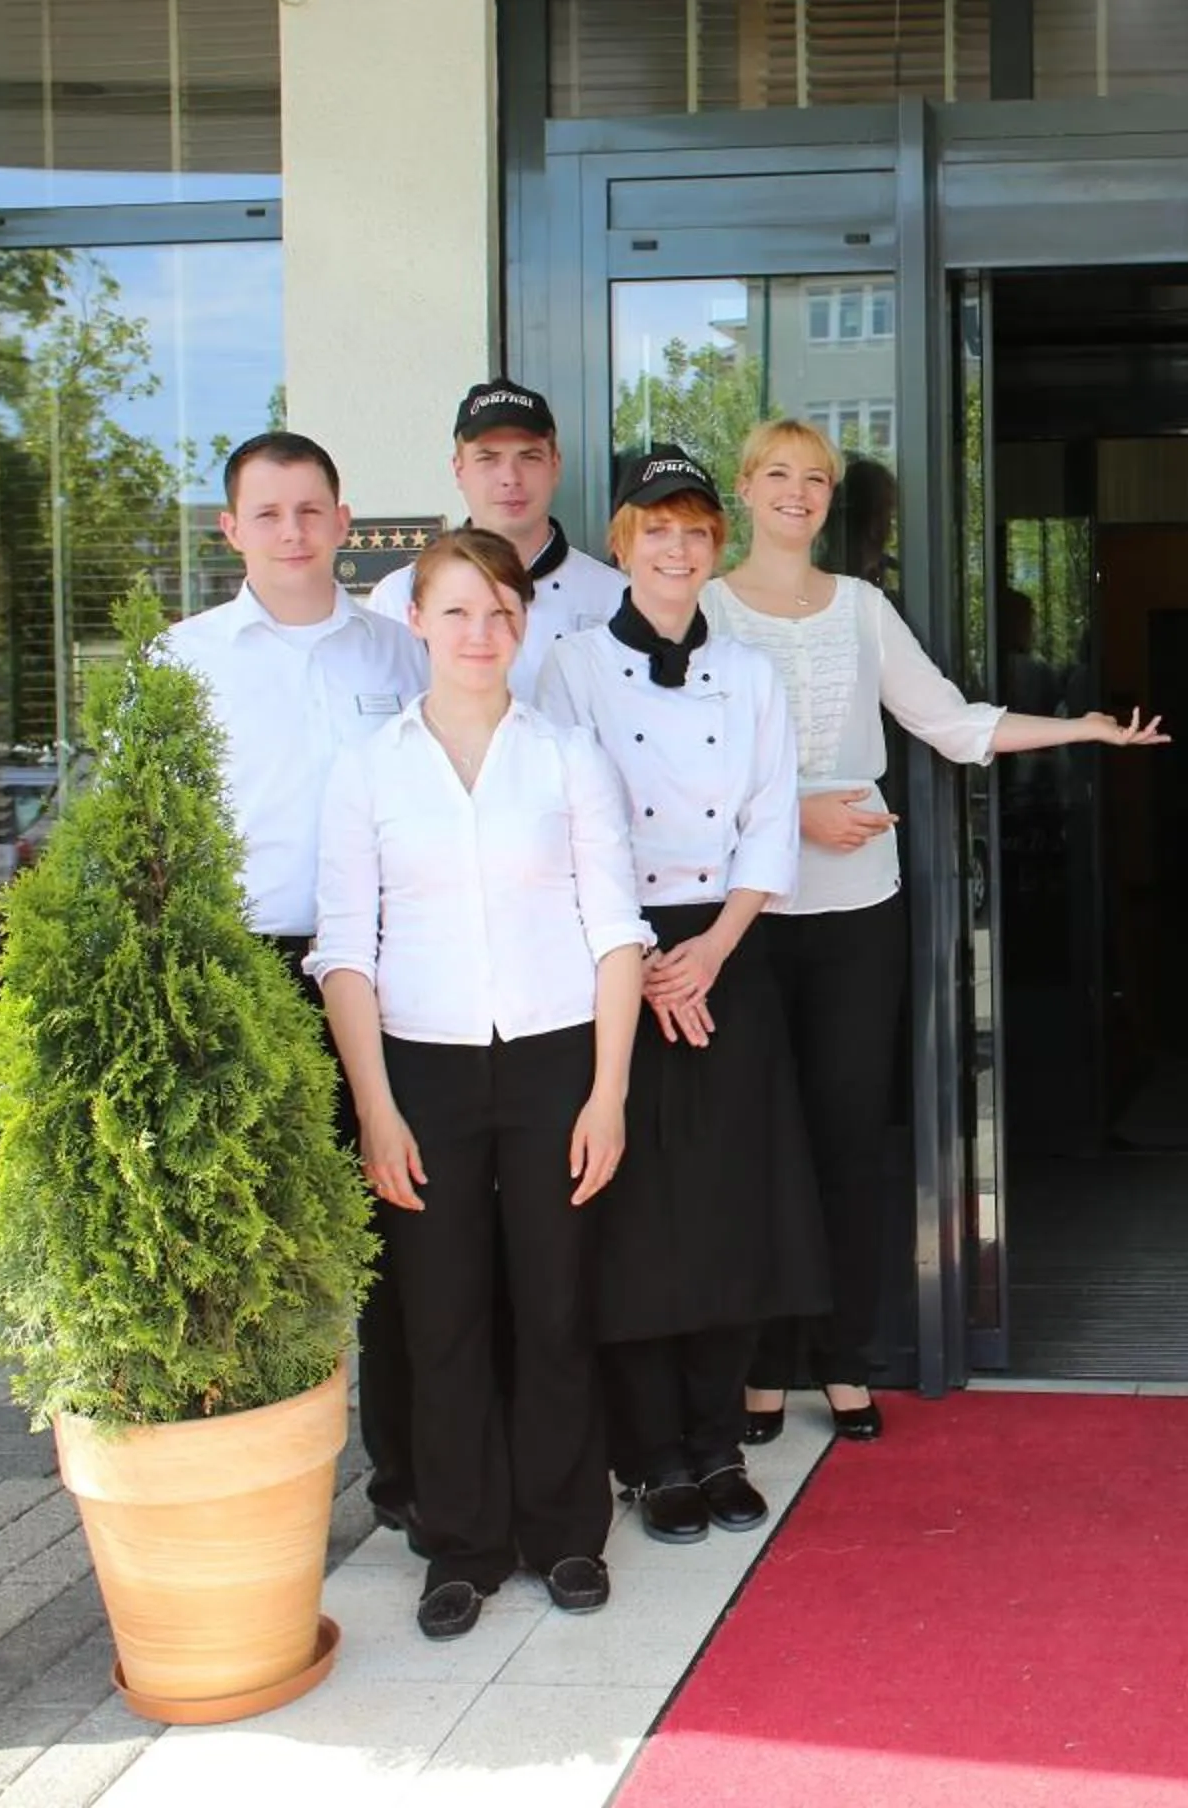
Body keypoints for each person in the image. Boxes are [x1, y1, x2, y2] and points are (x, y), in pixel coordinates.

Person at [705, 418, 1168, 1441]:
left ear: (831, 498)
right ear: (745, 487)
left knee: (848, 1139)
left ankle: (844, 1355)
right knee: (752, 1144)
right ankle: (761, 1361)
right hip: (737, 912)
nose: (796, 492)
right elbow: (672, 780)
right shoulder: (701, 607)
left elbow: (953, 721)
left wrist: (1083, 727)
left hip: (857, 906)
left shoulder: (862, 609)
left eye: (815, 478)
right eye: (777, 474)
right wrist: (793, 816)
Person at [309, 527, 651, 1640]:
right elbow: (345, 947)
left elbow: (614, 931)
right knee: (440, 1313)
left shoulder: (566, 757)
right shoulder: (368, 770)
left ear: (525, 624)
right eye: (456, 611)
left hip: (556, 1057)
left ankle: (564, 1533)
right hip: (420, 1069)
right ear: (416, 621)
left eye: (500, 612)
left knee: (555, 1305)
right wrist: (375, 1103)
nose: (479, 633)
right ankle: (461, 1544)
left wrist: (607, 1093)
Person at [537, 443, 819, 1540]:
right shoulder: (564, 664)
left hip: (726, 960)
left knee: (727, 1212)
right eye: (657, 528)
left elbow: (769, 817)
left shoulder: (750, 672)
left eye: (697, 529)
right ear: (622, 541)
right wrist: (647, 958)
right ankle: (650, 1453)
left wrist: (711, 950)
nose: (678, 546)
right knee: (638, 1222)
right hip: (614, 962)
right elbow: (570, 815)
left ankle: (714, 1439)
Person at [164, 430, 428, 1538]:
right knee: (262, 1239)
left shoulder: (397, 652)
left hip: (390, 967)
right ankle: (264, 1496)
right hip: (251, 969)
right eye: (267, 513)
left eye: (311, 509)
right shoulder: (184, 659)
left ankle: (410, 1476)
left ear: (343, 519)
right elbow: (157, 837)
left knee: (399, 1232)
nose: (292, 531)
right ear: (231, 528)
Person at [367, 378, 627, 696]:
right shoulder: (398, 598)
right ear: (458, 469)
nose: (510, 478)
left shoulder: (616, 598)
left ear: (555, 465)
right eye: (488, 458)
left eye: (529, 457)